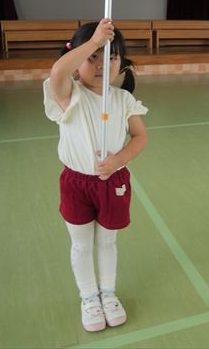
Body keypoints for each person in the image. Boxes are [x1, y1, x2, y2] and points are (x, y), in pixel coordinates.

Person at [43, 19, 148, 331]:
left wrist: (119, 160)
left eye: (111, 56)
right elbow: (58, 72)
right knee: (81, 245)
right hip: (77, 184)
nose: (102, 64)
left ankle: (108, 294)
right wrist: (95, 41)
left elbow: (140, 137)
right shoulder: (69, 94)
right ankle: (88, 297)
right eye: (93, 57)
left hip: (112, 182)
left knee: (107, 242)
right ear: (77, 60)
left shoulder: (123, 100)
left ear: (121, 62)